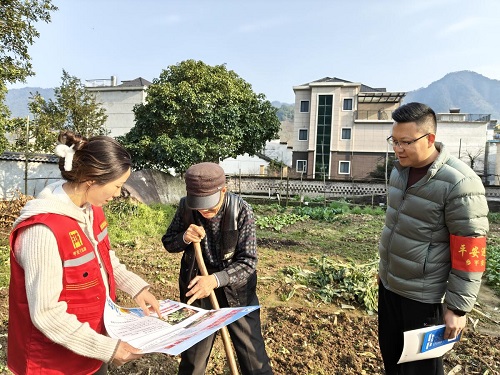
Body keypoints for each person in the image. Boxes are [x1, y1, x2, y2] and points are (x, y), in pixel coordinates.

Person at [8, 131, 162, 375]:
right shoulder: (42, 231)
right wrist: (110, 349)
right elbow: (47, 314)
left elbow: (103, 259)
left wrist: (137, 287)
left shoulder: (90, 210)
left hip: (91, 348)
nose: (118, 194)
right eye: (117, 186)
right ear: (91, 180)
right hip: (53, 362)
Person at [378, 102, 489, 375]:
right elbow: (396, 227)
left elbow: (470, 250)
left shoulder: (459, 183)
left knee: (420, 370)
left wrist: (458, 308)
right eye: (394, 141)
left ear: (429, 139)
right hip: (390, 288)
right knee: (391, 360)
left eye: (405, 142)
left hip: (423, 297)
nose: (398, 148)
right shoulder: (399, 172)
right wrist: (384, 271)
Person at [162, 162, 273, 375]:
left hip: (237, 293)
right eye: (199, 206)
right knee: (192, 361)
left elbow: (248, 262)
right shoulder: (186, 207)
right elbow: (168, 242)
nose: (204, 212)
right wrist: (184, 237)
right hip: (198, 292)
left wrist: (214, 280)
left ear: (223, 190)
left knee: (254, 361)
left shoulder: (240, 209)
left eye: (210, 206)